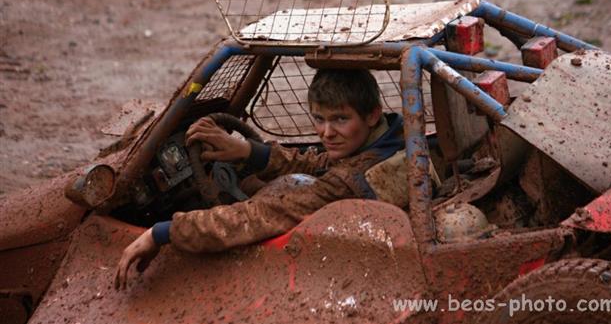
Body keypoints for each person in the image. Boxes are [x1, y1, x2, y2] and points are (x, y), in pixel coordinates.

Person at [114, 68, 405, 290]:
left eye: (340, 119)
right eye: (319, 119)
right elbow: (320, 162)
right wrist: (247, 151)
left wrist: (162, 232)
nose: (326, 132)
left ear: (371, 115)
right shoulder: (393, 140)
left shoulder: (347, 181)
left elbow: (258, 217)